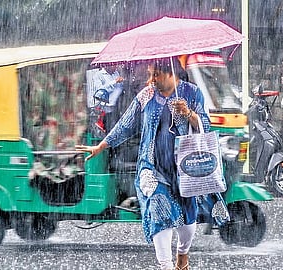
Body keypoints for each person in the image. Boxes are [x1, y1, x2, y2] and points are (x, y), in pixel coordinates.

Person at [77, 58, 211, 270]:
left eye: (155, 74)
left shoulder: (192, 93)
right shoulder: (146, 95)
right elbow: (124, 125)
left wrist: (189, 114)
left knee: (188, 221)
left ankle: (182, 254)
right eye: (150, 74)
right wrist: (100, 146)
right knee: (159, 207)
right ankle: (166, 265)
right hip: (152, 167)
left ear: (170, 73)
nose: (151, 79)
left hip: (184, 168)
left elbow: (205, 124)